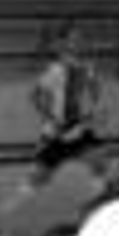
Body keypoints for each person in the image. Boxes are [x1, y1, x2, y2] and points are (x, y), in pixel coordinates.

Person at [26, 23, 109, 187]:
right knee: (38, 180)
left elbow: (95, 91)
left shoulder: (87, 67)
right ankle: (6, 207)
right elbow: (34, 96)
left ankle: (100, 202)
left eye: (81, 38)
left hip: (80, 128)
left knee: (99, 163)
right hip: (57, 132)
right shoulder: (56, 69)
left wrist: (95, 111)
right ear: (64, 42)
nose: (79, 42)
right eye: (74, 39)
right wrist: (52, 120)